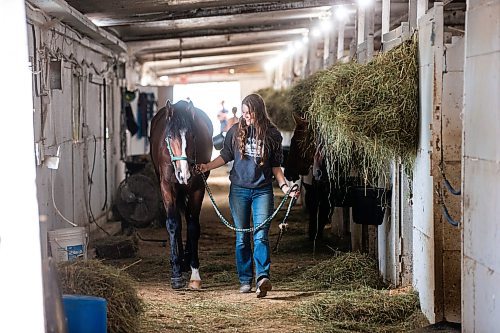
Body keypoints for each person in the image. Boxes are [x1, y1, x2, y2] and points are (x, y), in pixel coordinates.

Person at [197, 93, 299, 298]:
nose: (245, 116)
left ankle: (262, 277)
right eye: (243, 112)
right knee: (242, 237)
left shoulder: (272, 134)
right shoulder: (235, 131)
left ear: (258, 111)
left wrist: (285, 187)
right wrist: (207, 166)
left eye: (248, 112)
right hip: (239, 190)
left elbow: (276, 167)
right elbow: (225, 155)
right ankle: (245, 280)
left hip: (262, 190)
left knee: (261, 235)